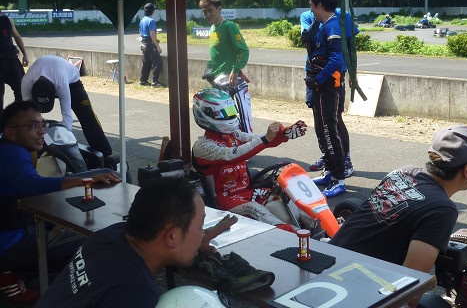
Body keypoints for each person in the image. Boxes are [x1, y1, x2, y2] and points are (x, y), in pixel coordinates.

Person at [34, 177, 238, 308]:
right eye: (200, 226)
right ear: (172, 237)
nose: (201, 233)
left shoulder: (112, 235)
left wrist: (194, 240)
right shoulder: (133, 293)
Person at [330, 125, 467, 278]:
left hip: (327, 259)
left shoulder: (404, 171)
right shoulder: (441, 210)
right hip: (348, 282)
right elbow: (412, 281)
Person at [0, 101, 121, 301]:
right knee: (93, 239)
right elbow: (32, 185)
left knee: (58, 225)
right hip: (9, 244)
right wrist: (84, 180)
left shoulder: (7, 149)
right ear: (10, 132)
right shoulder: (13, 154)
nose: (41, 131)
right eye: (32, 126)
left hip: (13, 230)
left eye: (42, 124)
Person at [191, 87, 307, 231]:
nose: (230, 116)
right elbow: (234, 154)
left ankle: (323, 227)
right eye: (224, 113)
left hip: (248, 191)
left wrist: (283, 134)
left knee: (287, 193)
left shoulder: (234, 135)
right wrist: (266, 138)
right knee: (256, 209)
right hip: (226, 201)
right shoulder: (202, 146)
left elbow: (256, 140)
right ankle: (298, 236)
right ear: (206, 114)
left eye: (231, 111)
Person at [304, 0, 351, 198]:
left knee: (329, 131)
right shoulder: (322, 24)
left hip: (330, 87)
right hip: (320, 87)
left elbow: (336, 59)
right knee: (320, 129)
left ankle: (339, 179)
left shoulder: (332, 25)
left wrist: (319, 79)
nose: (310, 9)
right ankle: (330, 171)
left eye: (312, 5)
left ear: (320, 4)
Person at [301, 7, 357, 177]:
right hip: (314, 71)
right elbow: (307, 37)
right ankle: (329, 158)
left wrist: (353, 72)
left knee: (334, 118)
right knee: (319, 117)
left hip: (334, 74)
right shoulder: (307, 16)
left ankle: (344, 159)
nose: (311, 5)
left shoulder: (342, 16)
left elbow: (350, 44)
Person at [21, 55, 113, 158]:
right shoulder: (26, 82)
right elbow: (28, 115)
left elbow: (67, 116)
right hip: (47, 75)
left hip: (71, 82)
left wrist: (64, 147)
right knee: (27, 118)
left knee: (87, 116)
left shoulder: (61, 83)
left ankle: (104, 153)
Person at [199, 0, 252, 132]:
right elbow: (217, 55)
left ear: (219, 9)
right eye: (204, 11)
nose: (207, 14)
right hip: (219, 83)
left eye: (210, 10)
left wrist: (236, 69)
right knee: (226, 122)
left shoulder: (229, 26)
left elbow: (243, 51)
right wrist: (209, 69)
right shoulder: (212, 28)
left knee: (245, 120)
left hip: (234, 81)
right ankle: (234, 144)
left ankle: (250, 144)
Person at [0, 9, 29, 110]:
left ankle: (18, 114)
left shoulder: (8, 21)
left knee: (21, 88)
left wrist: (25, 54)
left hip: (10, 59)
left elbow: (17, 37)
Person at [138, 2, 163, 87]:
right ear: (152, 11)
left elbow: (141, 33)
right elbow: (152, 35)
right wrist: (158, 47)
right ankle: (155, 82)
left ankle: (143, 80)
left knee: (146, 63)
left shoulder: (142, 20)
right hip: (150, 44)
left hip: (143, 44)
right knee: (157, 62)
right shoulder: (151, 21)